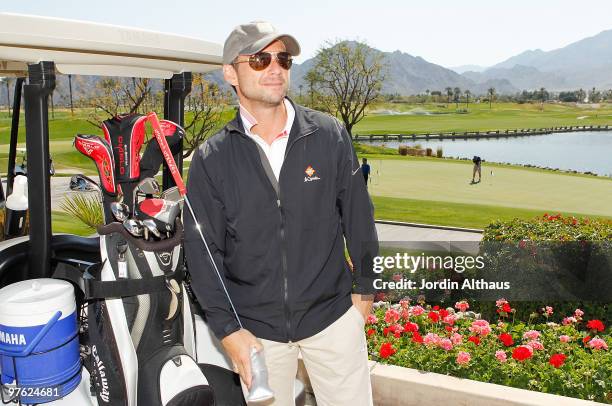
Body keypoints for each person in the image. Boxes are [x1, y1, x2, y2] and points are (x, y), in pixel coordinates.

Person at [184, 21, 378, 406]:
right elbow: (204, 254)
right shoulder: (211, 158)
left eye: (283, 59)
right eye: (259, 59)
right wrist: (228, 330)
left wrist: (365, 294)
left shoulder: (329, 134)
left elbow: (359, 216)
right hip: (258, 333)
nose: (275, 68)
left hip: (334, 320)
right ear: (230, 73)